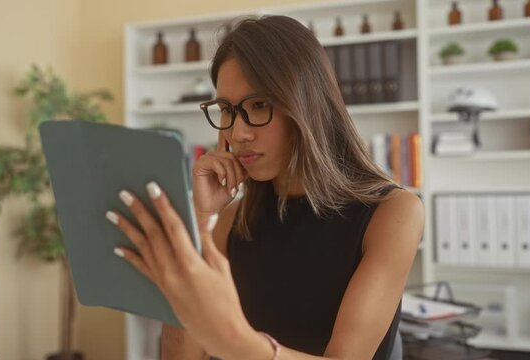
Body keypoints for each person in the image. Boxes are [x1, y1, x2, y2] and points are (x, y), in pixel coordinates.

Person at [106, 15, 424, 360]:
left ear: (306, 104)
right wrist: (201, 220)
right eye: (227, 110)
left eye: (258, 105)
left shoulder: (393, 212)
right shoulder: (229, 223)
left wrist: (236, 341)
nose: (237, 133)